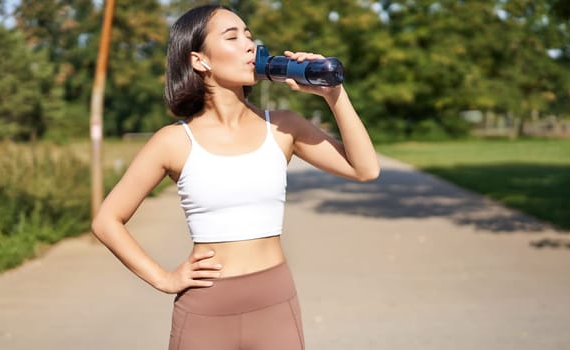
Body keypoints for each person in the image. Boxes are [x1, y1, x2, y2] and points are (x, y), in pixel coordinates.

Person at [90, 4, 379, 350]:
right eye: (232, 36)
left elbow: (365, 169)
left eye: (249, 36)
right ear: (200, 60)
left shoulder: (283, 126)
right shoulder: (173, 141)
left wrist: (334, 95)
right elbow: (107, 220)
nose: (249, 45)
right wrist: (164, 278)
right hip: (205, 309)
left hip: (275, 302)